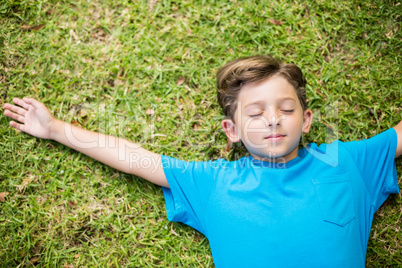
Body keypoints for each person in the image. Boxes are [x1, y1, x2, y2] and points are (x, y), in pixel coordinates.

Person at [3, 55, 401, 267]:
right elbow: (132, 157)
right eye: (256, 113)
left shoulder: (346, 161)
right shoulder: (214, 182)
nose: (274, 118)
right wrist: (55, 128)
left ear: (307, 119)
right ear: (232, 131)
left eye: (286, 108)